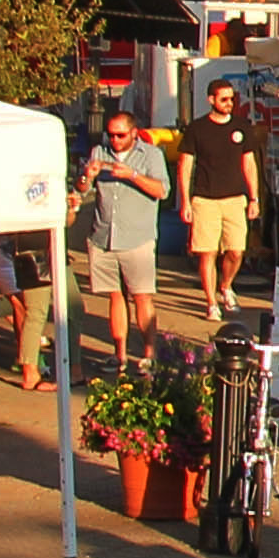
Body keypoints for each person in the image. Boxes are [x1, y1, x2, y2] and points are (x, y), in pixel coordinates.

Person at [79, 104, 175, 373]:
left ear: (134, 134)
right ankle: (118, 354)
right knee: (114, 296)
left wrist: (132, 175)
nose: (115, 140)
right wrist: (87, 176)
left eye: (121, 135)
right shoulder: (99, 152)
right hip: (103, 235)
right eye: (111, 135)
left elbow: (162, 191)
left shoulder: (151, 155)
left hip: (137, 237)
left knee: (142, 296)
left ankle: (148, 354)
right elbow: (82, 188)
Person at [179, 102, 266, 327]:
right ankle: (211, 303)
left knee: (236, 251)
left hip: (235, 198)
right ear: (211, 100)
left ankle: (225, 286)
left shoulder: (241, 126)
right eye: (224, 98)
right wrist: (185, 201)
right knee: (207, 253)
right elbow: (185, 165)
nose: (229, 103)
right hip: (204, 198)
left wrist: (254, 198)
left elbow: (249, 164)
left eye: (230, 98)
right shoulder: (197, 129)